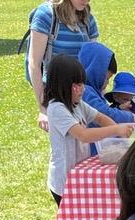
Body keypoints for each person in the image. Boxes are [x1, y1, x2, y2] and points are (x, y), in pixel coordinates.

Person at [44, 55, 133, 206]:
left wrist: (118, 137)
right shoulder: (57, 108)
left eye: (82, 84)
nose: (82, 89)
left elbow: (100, 118)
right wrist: (116, 129)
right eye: (76, 85)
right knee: (73, 219)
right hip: (63, 180)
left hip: (78, 173)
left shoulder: (78, 104)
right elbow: (83, 135)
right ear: (61, 85)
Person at [27, 0, 99, 132]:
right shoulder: (46, 15)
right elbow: (34, 64)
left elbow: (93, 64)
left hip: (83, 97)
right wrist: (43, 108)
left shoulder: (89, 20)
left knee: (86, 149)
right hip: (57, 97)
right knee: (66, 149)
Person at [78, 42, 135, 127]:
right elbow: (104, 113)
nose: (107, 82)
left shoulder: (91, 91)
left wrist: (119, 109)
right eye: (106, 78)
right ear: (94, 72)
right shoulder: (85, 92)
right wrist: (131, 117)